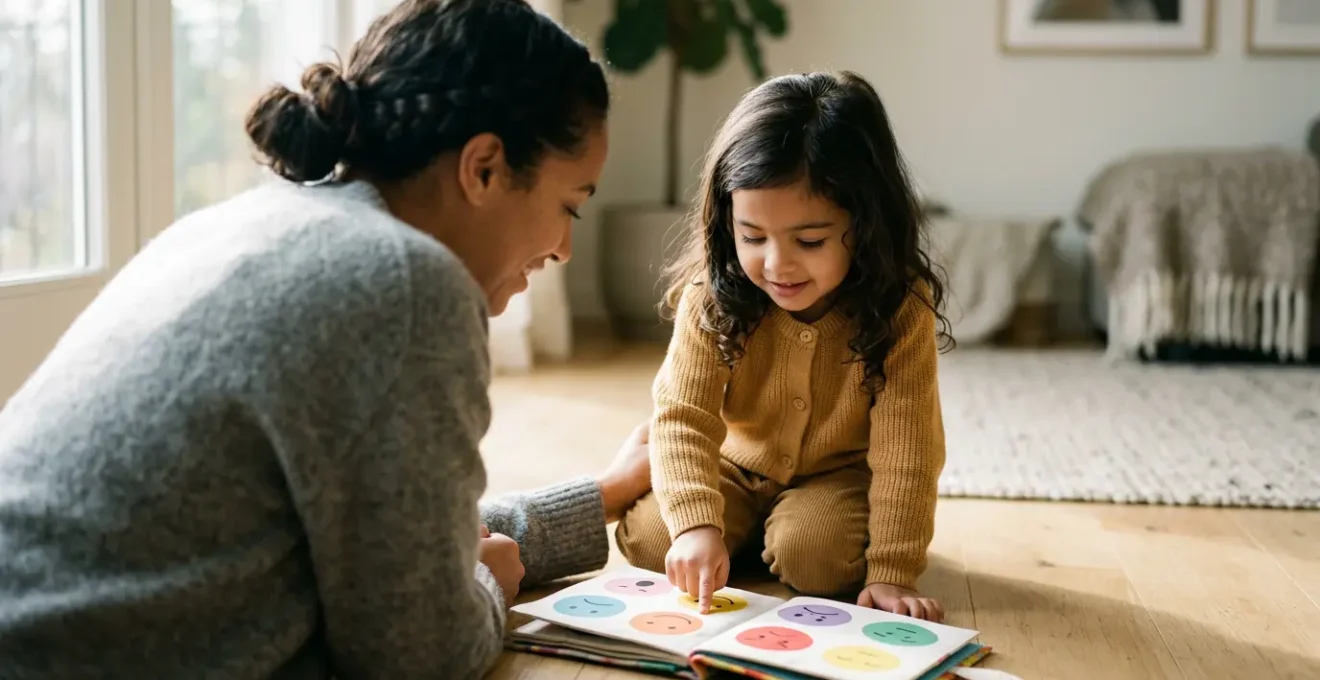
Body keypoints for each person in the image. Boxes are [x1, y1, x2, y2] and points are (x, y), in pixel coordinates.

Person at [0, 0, 650, 678]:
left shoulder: (248, 222)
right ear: (484, 167)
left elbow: (391, 544)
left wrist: (602, 496)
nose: (566, 249)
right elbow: (421, 653)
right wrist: (487, 590)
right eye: (568, 206)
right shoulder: (404, 282)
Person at [615, 71, 953, 622]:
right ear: (728, 223)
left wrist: (892, 569)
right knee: (653, 540)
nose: (776, 265)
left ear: (865, 223)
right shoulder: (713, 296)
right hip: (733, 468)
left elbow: (907, 448)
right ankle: (733, 536)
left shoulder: (898, 309)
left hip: (836, 478)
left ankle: (760, 540)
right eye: (752, 237)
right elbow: (682, 416)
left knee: (815, 556)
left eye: (810, 241)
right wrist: (697, 524)